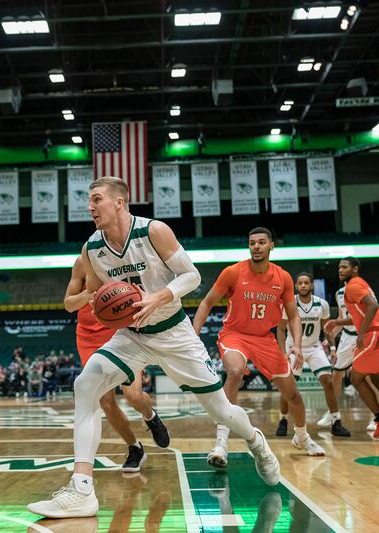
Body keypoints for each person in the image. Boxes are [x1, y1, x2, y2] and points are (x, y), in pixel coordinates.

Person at [28, 178, 281, 520]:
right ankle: (82, 489)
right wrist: (107, 310)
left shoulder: (154, 231)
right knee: (85, 385)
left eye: (96, 199)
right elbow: (102, 298)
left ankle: (256, 442)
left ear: (119, 202)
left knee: (221, 410)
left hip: (173, 332)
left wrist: (158, 296)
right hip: (132, 336)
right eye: (89, 201)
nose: (90, 206)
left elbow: (191, 276)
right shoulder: (91, 250)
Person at [193, 228, 325, 469]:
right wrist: (194, 336)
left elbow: (293, 315)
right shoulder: (233, 272)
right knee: (234, 371)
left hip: (265, 339)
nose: (256, 246)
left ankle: (302, 437)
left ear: (271, 246)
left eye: (261, 243)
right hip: (235, 335)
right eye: (252, 243)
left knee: (293, 395)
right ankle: (221, 443)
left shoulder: (283, 278)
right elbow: (206, 303)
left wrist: (296, 345)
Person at [64, 256, 169, 472]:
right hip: (88, 337)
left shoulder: (125, 259)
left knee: (133, 396)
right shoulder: (82, 263)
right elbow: (68, 304)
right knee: (105, 400)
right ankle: (135, 447)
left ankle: (151, 416)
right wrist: (88, 295)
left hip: (120, 332)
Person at [325, 257, 379, 441]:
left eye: (345, 267)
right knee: (378, 379)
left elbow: (373, 307)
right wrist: (338, 321)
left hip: (374, 335)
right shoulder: (361, 284)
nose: (340, 270)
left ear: (355, 269)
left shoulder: (353, 286)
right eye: (339, 267)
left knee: (355, 377)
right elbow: (361, 314)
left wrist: (362, 333)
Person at [277, 272, 350, 437]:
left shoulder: (322, 304)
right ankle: (283, 420)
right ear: (296, 286)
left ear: (311, 285)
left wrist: (332, 349)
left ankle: (336, 421)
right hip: (293, 348)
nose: (303, 286)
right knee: (288, 386)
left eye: (306, 283)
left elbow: (327, 330)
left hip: (314, 347)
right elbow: (280, 329)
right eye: (300, 283)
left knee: (328, 381)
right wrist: (283, 352)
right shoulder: (289, 304)